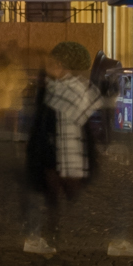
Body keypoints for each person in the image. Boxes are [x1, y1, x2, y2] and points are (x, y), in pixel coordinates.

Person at [22, 41, 99, 254]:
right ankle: (49, 230)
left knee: (66, 190)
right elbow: (40, 118)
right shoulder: (46, 87)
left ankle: (52, 226)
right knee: (50, 191)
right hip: (48, 147)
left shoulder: (68, 87)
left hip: (63, 146)